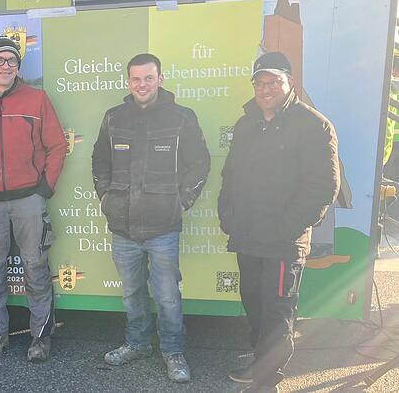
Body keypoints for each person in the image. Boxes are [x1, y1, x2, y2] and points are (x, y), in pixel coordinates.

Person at [219, 51, 340, 393]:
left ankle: (267, 381)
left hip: (283, 242)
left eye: (274, 81)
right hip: (247, 235)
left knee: (276, 311)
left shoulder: (314, 125)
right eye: (260, 82)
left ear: (290, 83)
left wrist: (286, 228)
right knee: (253, 302)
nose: (265, 88)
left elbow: (322, 188)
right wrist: (227, 214)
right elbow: (230, 174)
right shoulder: (246, 123)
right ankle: (261, 360)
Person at [91, 53, 210, 383]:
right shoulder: (114, 117)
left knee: (168, 295)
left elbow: (199, 164)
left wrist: (182, 201)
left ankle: (173, 352)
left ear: (160, 78)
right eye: (136, 78)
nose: (142, 84)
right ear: (128, 82)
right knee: (131, 293)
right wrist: (106, 198)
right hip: (123, 227)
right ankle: (138, 344)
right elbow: (99, 161)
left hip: (163, 228)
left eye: (148, 77)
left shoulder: (181, 117)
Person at [0, 35, 67, 363]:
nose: (5, 66)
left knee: (35, 266)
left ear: (18, 67)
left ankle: (40, 337)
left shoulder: (36, 99)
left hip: (28, 200)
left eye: (12, 61)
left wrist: (44, 190)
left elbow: (58, 145)